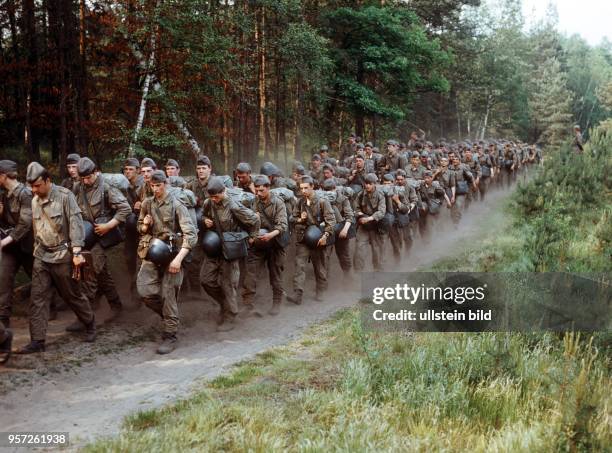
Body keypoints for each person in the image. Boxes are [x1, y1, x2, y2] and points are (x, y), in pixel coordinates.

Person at [17, 162, 95, 354]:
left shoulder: (64, 196)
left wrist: (76, 252)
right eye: (32, 186)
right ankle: (38, 341)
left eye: (38, 185)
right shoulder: (34, 200)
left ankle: (90, 322)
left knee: (72, 295)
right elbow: (37, 229)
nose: (34, 190)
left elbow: (76, 225)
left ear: (48, 180)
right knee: (37, 298)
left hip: (62, 255)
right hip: (42, 255)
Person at [136, 170, 197, 354]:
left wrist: (178, 260)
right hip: (153, 252)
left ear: (165, 184)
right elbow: (140, 228)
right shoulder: (147, 203)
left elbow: (191, 235)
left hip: (173, 254)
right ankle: (171, 318)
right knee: (145, 291)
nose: (155, 189)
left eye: (158, 186)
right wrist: (145, 224)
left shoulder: (177, 205)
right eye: (152, 186)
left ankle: (170, 335)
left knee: (168, 294)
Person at [70, 157, 131, 328]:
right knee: (99, 272)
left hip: (104, 234)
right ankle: (116, 305)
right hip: (86, 234)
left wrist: (108, 225)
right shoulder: (78, 187)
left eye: (89, 177)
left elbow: (125, 208)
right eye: (83, 178)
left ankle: (85, 316)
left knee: (91, 269)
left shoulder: (107, 188)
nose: (86, 181)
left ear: (96, 171)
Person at [200, 177, 260, 332]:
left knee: (229, 284)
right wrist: (205, 220)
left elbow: (254, 219)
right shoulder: (209, 203)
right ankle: (224, 304)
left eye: (216, 196)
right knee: (205, 279)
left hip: (231, 246)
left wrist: (252, 237)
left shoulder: (234, 206)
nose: (214, 199)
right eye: (211, 197)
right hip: (215, 246)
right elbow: (202, 215)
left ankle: (231, 316)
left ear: (223, 191)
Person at [243, 175, 288, 316]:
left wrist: (270, 235)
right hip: (259, 242)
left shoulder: (278, 203)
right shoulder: (255, 201)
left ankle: (277, 302)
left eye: (262, 190)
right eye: (256, 190)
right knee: (251, 273)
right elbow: (249, 222)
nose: (258, 193)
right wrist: (251, 236)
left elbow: (283, 226)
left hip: (275, 243)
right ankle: (248, 304)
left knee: (276, 274)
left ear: (268, 188)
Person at [287, 175, 336, 305]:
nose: (303, 191)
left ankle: (320, 290)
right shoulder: (300, 202)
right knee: (299, 265)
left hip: (318, 238)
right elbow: (292, 219)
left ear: (312, 187)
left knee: (319, 267)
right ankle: (298, 294)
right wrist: (300, 219)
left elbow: (331, 221)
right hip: (304, 238)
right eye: (301, 188)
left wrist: (325, 236)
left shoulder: (322, 202)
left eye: (306, 188)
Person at [0, 160, 34, 328]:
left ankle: (51, 307)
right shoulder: (4, 194)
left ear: (4, 176)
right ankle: (3, 319)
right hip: (11, 247)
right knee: (3, 280)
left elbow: (25, 224)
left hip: (26, 246)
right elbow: (6, 222)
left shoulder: (25, 194)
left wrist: (6, 240)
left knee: (39, 279)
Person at [322, 178, 355, 282]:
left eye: (331, 189)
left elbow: (349, 216)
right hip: (327, 230)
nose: (329, 192)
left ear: (335, 188)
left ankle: (348, 278)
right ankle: (324, 281)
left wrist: (345, 230)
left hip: (341, 229)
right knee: (325, 255)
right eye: (326, 190)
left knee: (343, 255)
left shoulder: (343, 199)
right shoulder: (321, 199)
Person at [353, 174, 386, 272]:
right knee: (359, 248)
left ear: (374, 184)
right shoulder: (361, 195)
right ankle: (358, 273)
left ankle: (378, 270)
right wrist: (360, 215)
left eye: (369, 184)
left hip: (376, 225)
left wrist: (370, 218)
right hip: (364, 226)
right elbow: (355, 208)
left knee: (376, 250)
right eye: (366, 183)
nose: (367, 186)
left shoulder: (380, 195)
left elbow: (382, 212)